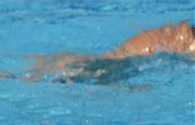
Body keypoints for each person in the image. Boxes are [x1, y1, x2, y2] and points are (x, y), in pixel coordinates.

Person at [26, 20, 194, 81]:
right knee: (105, 64)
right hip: (175, 40)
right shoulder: (179, 38)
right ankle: (47, 68)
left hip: (178, 38)